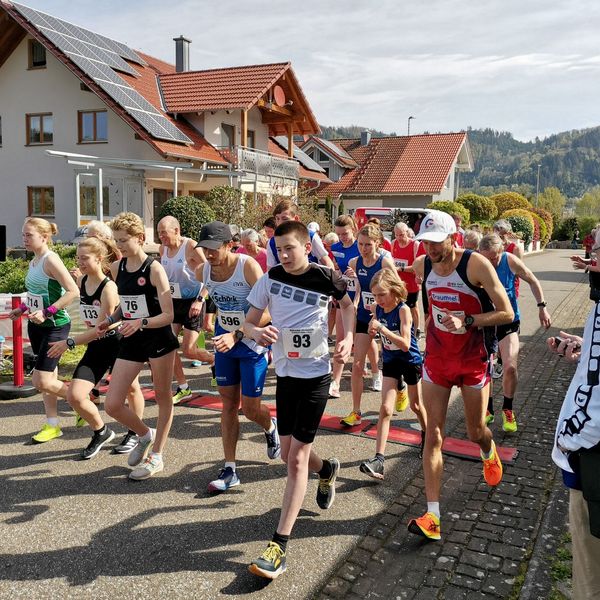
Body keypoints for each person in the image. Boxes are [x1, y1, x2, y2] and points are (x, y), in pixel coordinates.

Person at [244, 220, 354, 579]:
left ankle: (279, 546)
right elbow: (246, 323)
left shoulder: (327, 277)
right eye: (279, 249)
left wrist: (348, 338)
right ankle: (328, 469)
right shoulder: (270, 278)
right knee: (291, 456)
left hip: (317, 378)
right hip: (286, 376)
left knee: (294, 461)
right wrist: (256, 330)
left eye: (290, 248)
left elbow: (349, 307)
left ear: (307, 247)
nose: (284, 255)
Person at [406, 210, 514, 541]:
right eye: (425, 243)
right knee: (433, 434)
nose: (430, 250)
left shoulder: (475, 265)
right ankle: (433, 516)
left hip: (472, 360)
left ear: (453, 237)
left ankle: (487, 450)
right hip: (438, 359)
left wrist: (468, 321)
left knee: (474, 430)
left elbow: (506, 312)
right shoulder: (424, 264)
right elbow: (410, 284)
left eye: (436, 243)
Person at [196, 221, 280, 492]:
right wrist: (207, 312)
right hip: (225, 343)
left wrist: (239, 333)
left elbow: (270, 310)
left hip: (251, 343)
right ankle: (230, 468)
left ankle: (271, 427)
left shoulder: (248, 267)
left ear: (229, 245)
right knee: (228, 404)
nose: (208, 254)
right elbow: (209, 294)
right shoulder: (203, 270)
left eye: (212, 249)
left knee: (251, 408)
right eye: (203, 248)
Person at [98, 212, 179, 480]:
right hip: (132, 337)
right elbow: (127, 304)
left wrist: (141, 322)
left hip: (158, 338)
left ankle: (157, 456)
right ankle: (145, 434)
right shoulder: (116, 268)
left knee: (163, 397)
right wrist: (111, 319)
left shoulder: (154, 269)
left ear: (140, 239)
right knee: (112, 404)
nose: (119, 245)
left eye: (124, 240)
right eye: (116, 240)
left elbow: (168, 315)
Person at [47, 236, 134, 458]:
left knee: (132, 389)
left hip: (117, 343)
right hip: (96, 346)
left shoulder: (109, 288)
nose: (80, 263)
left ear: (99, 258)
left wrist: (69, 342)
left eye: (85, 258)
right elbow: (89, 324)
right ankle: (101, 431)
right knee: (75, 396)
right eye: (78, 258)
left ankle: (135, 432)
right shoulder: (82, 282)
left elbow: (100, 329)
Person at [9, 218, 79, 443]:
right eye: (23, 235)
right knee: (50, 378)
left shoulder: (51, 260)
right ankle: (53, 425)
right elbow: (37, 295)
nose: (24, 239)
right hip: (37, 326)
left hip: (55, 326)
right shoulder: (33, 262)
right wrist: (22, 308)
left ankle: (82, 400)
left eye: (29, 235)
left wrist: (48, 312)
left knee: (41, 381)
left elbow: (72, 291)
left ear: (44, 237)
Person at [549, 309, 600, 600]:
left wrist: (571, 438)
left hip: (591, 463)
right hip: (586, 459)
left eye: (594, 259)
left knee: (591, 583)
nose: (590, 261)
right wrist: (587, 353)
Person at [478, 234, 551, 432]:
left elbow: (533, 280)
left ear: (501, 251)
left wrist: (542, 306)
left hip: (508, 321)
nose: (490, 263)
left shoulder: (510, 261)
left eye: (493, 258)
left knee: (510, 367)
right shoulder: (476, 262)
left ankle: (508, 410)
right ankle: (488, 409)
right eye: (486, 258)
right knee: (487, 369)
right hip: (485, 323)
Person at [360, 269, 427, 479]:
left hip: (410, 361)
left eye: (382, 294)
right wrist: (373, 331)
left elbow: (406, 344)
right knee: (385, 409)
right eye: (375, 295)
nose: (378, 300)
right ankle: (379, 459)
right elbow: (377, 332)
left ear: (394, 290)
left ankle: (429, 436)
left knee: (416, 406)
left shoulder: (403, 310)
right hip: (390, 360)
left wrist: (383, 330)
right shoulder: (376, 308)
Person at [340, 224, 396, 426]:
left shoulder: (385, 262)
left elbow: (399, 290)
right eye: (360, 244)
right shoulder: (355, 263)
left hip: (385, 316)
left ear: (377, 244)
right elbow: (359, 291)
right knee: (356, 365)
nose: (363, 249)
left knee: (395, 361)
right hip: (364, 316)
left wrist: (382, 306)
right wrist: (355, 304)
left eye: (368, 245)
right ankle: (356, 412)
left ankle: (402, 386)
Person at [157, 216, 212, 405]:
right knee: (169, 346)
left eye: (164, 232)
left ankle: (214, 361)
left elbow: (210, 274)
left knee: (189, 351)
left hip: (193, 302)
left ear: (177, 230)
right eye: (159, 233)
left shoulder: (190, 246)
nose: (161, 237)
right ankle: (183, 387)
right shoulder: (161, 248)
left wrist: (200, 299)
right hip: (173, 303)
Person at [266, 199, 334, 269]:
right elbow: (270, 270)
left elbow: (327, 262)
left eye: (285, 219)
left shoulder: (310, 236)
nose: (280, 223)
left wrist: (331, 278)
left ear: (296, 219)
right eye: (277, 219)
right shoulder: (271, 243)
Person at [392, 221, 425, 338]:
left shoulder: (415, 245)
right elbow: (392, 262)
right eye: (396, 235)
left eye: (401, 235)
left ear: (407, 232)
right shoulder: (393, 244)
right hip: (398, 283)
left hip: (411, 284)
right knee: (398, 307)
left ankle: (417, 330)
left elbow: (417, 267)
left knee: (413, 307)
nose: (399, 238)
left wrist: (400, 268)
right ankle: (402, 330)